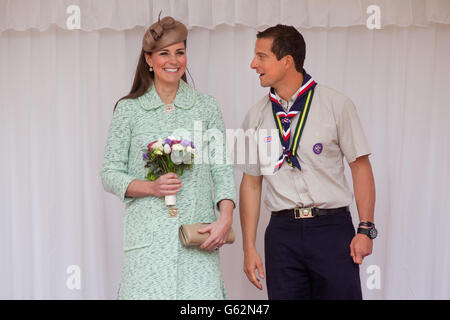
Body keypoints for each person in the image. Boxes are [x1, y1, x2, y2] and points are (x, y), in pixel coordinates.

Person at [100, 15, 236, 300]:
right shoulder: (128, 110)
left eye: (180, 52)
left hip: (196, 240)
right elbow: (110, 174)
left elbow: (222, 170)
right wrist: (151, 187)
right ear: (149, 59)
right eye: (164, 53)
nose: (173, 60)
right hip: (147, 248)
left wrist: (225, 218)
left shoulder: (206, 107)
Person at [239, 24, 377, 300]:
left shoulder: (337, 105)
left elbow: (360, 167)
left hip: (332, 230)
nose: (253, 64)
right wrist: (249, 247)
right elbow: (251, 184)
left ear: (287, 61)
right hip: (281, 234)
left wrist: (365, 228)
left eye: (261, 56)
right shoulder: (255, 116)